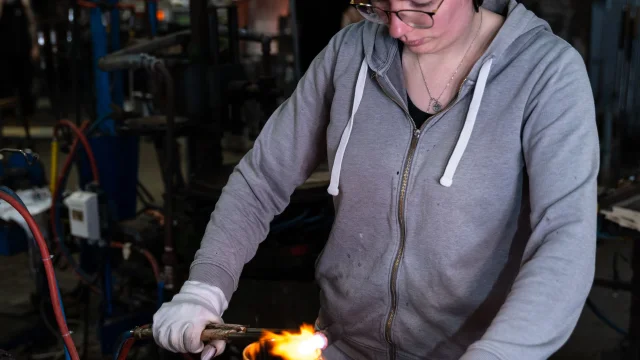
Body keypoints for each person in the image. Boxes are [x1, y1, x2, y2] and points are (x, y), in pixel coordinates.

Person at [153, 0, 599, 359]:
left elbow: (565, 239)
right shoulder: (349, 55)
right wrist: (204, 287)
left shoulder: (547, 73)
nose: (397, 29)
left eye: (419, 6)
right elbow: (262, 178)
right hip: (342, 346)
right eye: (379, 6)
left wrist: (502, 353)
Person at [0, 0, 39, 115]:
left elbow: (32, 23)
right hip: (4, 50)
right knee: (5, 82)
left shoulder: (23, 4)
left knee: (26, 80)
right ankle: (8, 112)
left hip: (23, 47)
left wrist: (34, 45)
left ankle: (28, 111)